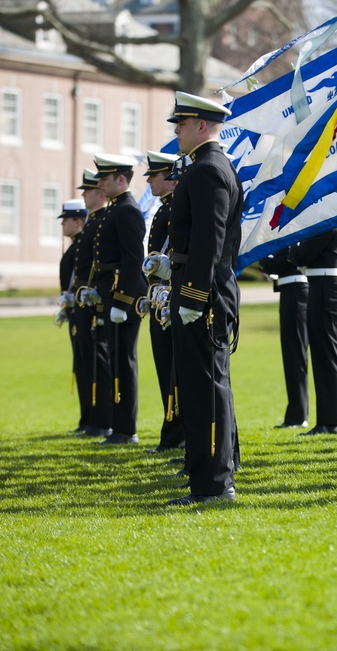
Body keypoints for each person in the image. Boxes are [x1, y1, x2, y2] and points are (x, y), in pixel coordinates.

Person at [148, 92, 242, 505]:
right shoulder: (204, 168)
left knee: (206, 387)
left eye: (181, 125)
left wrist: (191, 294)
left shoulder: (207, 170)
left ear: (201, 126)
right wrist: (174, 270)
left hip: (203, 295)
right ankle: (207, 476)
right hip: (199, 285)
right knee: (200, 385)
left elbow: (210, 240)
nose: (176, 131)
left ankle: (214, 484)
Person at [91, 153, 147, 445]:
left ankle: (126, 429)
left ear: (121, 179)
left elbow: (132, 258)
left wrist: (123, 301)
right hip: (111, 292)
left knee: (123, 360)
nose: (100, 183)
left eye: (104, 178)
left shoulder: (126, 210)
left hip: (121, 294)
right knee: (115, 358)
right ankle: (119, 426)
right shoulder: (116, 209)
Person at [141, 150, 186, 453]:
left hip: (171, 296)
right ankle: (171, 434)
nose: (149, 180)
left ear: (170, 180)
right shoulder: (162, 210)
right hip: (159, 297)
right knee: (164, 366)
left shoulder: (175, 209)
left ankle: (178, 436)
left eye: (154, 175)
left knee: (175, 370)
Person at [288, 226, 337, 436]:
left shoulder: (328, 221)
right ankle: (328, 419)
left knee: (326, 356)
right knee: (326, 355)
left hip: (325, 286)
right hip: (325, 284)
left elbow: (302, 255)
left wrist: (292, 243)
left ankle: (330, 421)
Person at [70, 169, 113, 439]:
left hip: (99, 303)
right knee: (88, 364)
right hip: (85, 303)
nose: (84, 195)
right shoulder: (94, 223)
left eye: (88, 190)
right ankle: (93, 419)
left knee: (101, 364)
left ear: (100, 193)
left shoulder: (103, 221)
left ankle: (103, 420)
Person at [258, 247, 310, 430]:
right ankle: (297, 413)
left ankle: (299, 415)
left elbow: (272, 263)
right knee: (293, 353)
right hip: (292, 289)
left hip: (297, 290)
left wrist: (267, 260)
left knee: (295, 354)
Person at [57, 200, 88, 434]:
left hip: (82, 311)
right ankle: (85, 419)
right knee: (81, 366)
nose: (63, 225)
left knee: (87, 367)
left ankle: (90, 420)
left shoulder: (80, 246)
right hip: (73, 310)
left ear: (77, 222)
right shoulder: (75, 246)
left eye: (65, 221)